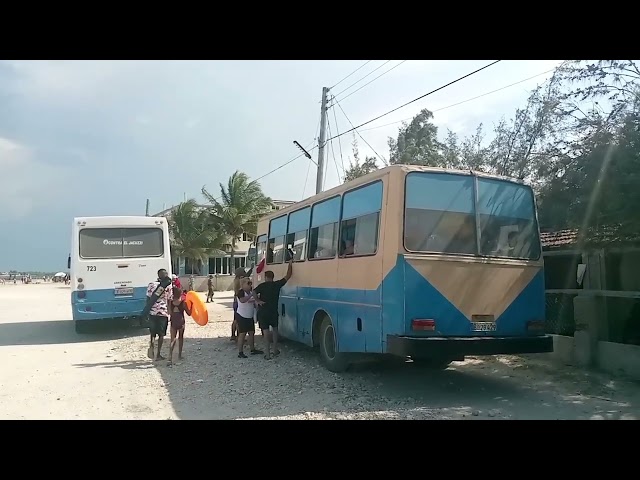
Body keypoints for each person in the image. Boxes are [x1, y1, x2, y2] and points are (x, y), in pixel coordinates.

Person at [254, 259, 292, 360]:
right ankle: (275, 349)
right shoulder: (277, 285)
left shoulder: (262, 286)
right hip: (273, 311)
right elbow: (288, 276)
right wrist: (290, 264)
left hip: (263, 311)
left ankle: (267, 353)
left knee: (266, 332)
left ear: (266, 277)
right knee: (275, 330)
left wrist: (258, 300)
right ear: (272, 277)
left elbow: (254, 292)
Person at [145, 268, 173, 361]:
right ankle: (158, 355)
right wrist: (169, 312)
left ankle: (152, 346)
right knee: (161, 334)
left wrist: (147, 310)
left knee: (153, 333)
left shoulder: (151, 284)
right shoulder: (168, 286)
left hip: (152, 312)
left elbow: (148, 298)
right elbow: (169, 300)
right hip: (162, 312)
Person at [235, 277, 263, 358]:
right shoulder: (241, 292)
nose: (250, 285)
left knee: (251, 333)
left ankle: (252, 349)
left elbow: (253, 302)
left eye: (250, 283)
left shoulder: (251, 292)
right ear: (243, 284)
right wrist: (251, 295)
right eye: (248, 283)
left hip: (249, 316)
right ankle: (240, 352)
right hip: (242, 316)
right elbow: (242, 300)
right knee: (242, 334)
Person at [168, 288, 191, 365]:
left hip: (173, 322)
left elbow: (169, 312)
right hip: (181, 322)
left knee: (172, 339)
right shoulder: (183, 303)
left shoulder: (170, 302)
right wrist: (192, 305)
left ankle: (170, 357)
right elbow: (189, 313)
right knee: (180, 338)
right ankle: (179, 355)